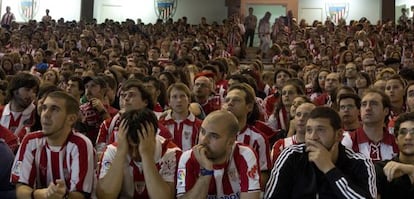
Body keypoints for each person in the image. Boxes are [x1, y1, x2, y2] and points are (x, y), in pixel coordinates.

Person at [264, 107, 377, 198]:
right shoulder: (291, 156)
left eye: (320, 130)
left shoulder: (360, 162)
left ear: (338, 135)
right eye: (309, 130)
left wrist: (329, 169)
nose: (313, 137)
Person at [10, 91, 95, 199]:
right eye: (44, 108)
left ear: (71, 119)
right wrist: (41, 194)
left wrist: (60, 195)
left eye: (54, 109)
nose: (46, 114)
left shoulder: (80, 144)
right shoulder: (30, 141)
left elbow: (80, 195)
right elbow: (20, 188)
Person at [97, 108, 181, 199]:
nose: (134, 154)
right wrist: (121, 152)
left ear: (153, 136)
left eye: (138, 146)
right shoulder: (113, 150)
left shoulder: (172, 153)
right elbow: (105, 196)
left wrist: (146, 155)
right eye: (129, 146)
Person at [176, 110, 261, 199]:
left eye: (214, 136)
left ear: (230, 142)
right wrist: (206, 172)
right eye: (203, 132)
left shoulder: (245, 155)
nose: (204, 140)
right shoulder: (186, 158)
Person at [222, 83, 271, 186]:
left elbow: (264, 174)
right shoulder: (210, 134)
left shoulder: (259, 139)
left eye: (236, 100)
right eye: (227, 100)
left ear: (249, 107)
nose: (230, 103)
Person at [342, 88, 399, 162]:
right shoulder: (349, 139)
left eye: (374, 104)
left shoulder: (395, 142)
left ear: (386, 111)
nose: (368, 108)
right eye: (364, 104)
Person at [375, 112, 414, 198]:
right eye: (403, 133)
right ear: (396, 139)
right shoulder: (380, 169)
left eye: (413, 132)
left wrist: (411, 170)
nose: (408, 137)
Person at [159, 83, 202, 151]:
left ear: (189, 100)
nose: (179, 100)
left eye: (182, 96)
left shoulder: (199, 125)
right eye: (174, 97)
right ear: (169, 102)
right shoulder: (161, 124)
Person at [0, 72, 39, 137]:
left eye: (34, 91)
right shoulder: (1, 112)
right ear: (15, 90)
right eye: (27, 90)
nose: (31, 95)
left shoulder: (37, 114)